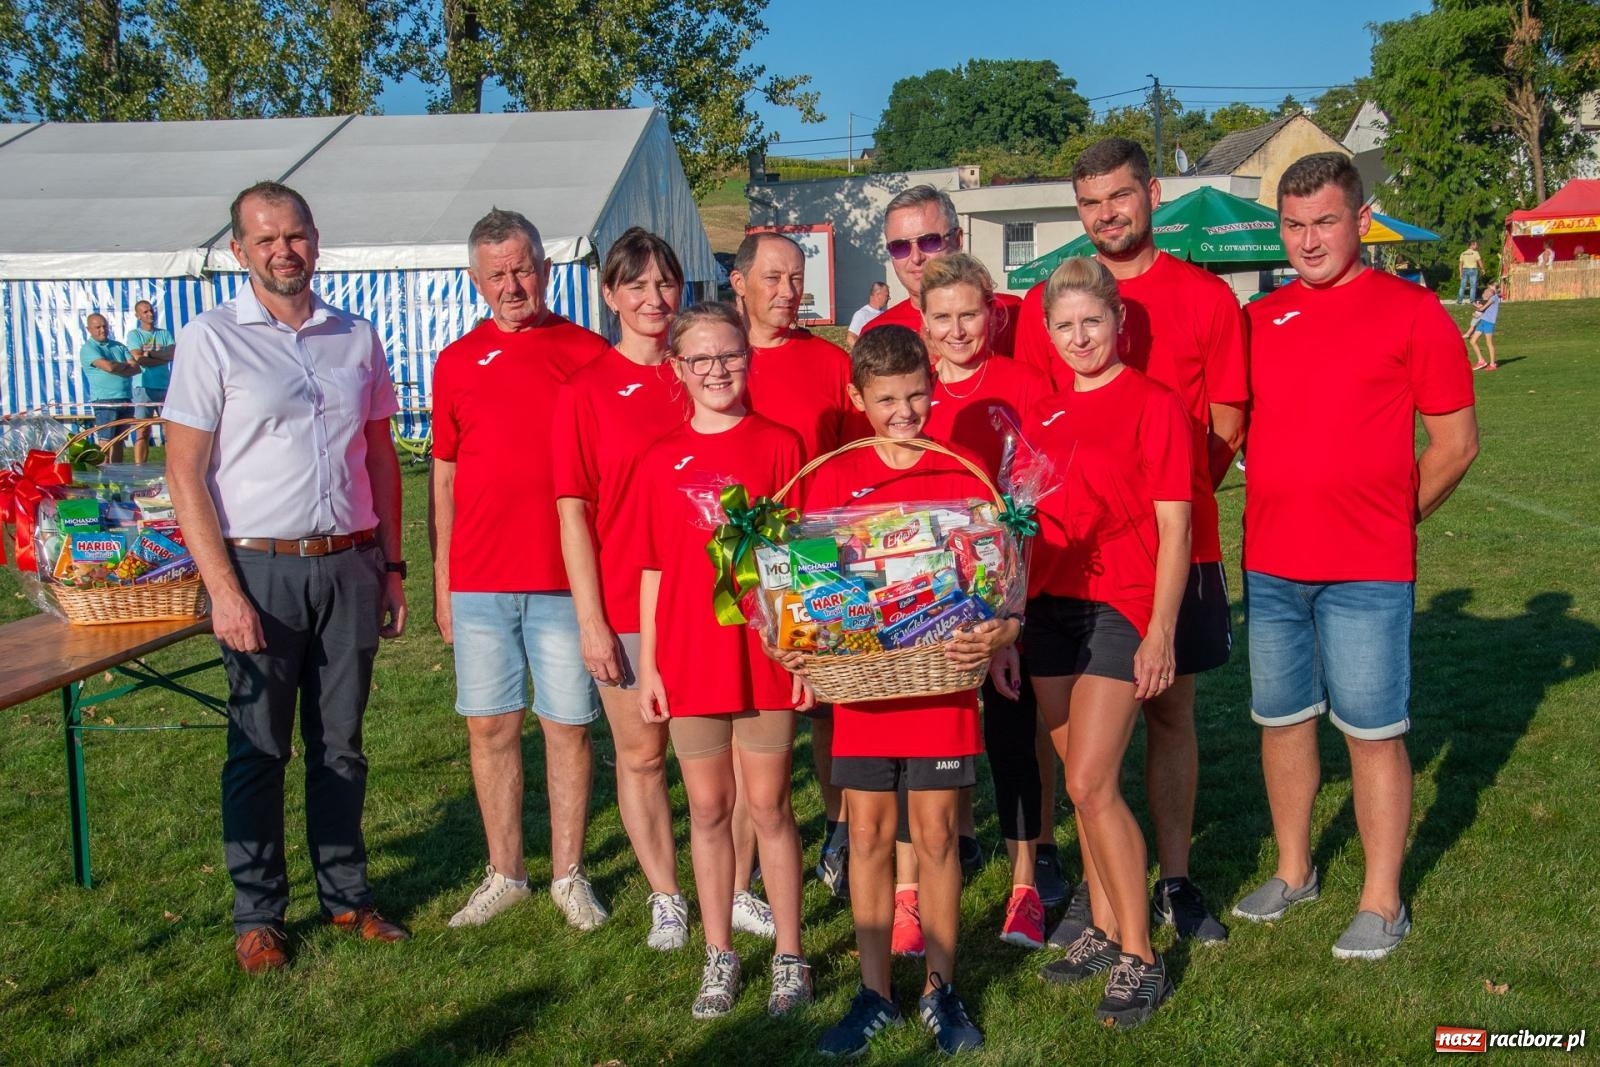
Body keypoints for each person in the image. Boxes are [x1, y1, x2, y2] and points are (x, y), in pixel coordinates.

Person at [1233, 153, 1478, 961]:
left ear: (1361, 220)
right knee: (1283, 721)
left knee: (1372, 731)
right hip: (1270, 565)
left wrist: (1389, 520)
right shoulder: (1260, 319)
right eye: (1294, 225)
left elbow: (1455, 442)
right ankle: (1295, 868)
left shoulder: (1413, 313)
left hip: (1368, 570)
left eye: (1326, 221)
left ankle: (1382, 899)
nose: (1309, 240)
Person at [163, 181, 409, 974]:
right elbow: (184, 473)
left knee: (342, 744)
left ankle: (346, 895)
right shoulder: (211, 338)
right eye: (265, 239)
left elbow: (378, 458)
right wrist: (224, 589)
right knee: (257, 747)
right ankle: (258, 913)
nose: (283, 250)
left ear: (315, 238)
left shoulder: (357, 337)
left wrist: (395, 567)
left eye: (295, 235)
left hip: (349, 563)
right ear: (239, 250)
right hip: (258, 568)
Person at [1014, 137, 1246, 947]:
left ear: (1150, 193)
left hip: (1172, 548)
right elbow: (1041, 444)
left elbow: (1226, 419)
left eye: (1118, 196)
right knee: (1089, 755)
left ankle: (1174, 879)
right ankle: (1107, 893)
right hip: (1076, 576)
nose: (1106, 213)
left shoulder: (1204, 297)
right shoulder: (1063, 303)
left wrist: (1163, 497)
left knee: (1172, 709)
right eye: (1089, 203)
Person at [800, 325, 1021, 1057]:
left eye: (917, 394)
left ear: (933, 386)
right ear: (858, 399)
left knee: (934, 836)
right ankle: (874, 992)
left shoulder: (961, 473)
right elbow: (804, 592)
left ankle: (941, 987)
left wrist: (1002, 631)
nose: (905, 411)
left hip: (939, 690)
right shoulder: (833, 477)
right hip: (864, 692)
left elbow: (1003, 588)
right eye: (887, 398)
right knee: (864, 834)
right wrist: (798, 645)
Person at [1001, 256, 1191, 1029]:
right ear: (1047, 332)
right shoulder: (1040, 414)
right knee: (1078, 787)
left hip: (1121, 608)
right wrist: (1010, 622)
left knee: (1088, 781)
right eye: (1065, 324)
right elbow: (1020, 529)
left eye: (1093, 321)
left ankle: (1142, 954)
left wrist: (1161, 631)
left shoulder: (1155, 405)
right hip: (1048, 609)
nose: (1080, 336)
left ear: (1118, 322)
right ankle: (1106, 926)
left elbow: (1176, 527)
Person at [430, 208, 613, 935]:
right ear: (477, 281)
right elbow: (441, 476)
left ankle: (569, 872)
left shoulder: (587, 350)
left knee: (567, 725)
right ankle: (506, 872)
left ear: (546, 266)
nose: (514, 284)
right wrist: (443, 577)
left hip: (567, 580)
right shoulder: (455, 361)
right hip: (478, 578)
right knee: (490, 726)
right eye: (498, 273)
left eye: (524, 267)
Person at [636, 301, 813, 1020]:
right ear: (678, 368)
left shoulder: (781, 443)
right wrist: (649, 666)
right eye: (700, 358)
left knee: (768, 804)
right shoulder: (659, 459)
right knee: (707, 807)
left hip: (765, 652)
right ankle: (720, 953)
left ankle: (791, 955)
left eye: (729, 356)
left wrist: (802, 651)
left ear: (749, 358)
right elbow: (651, 570)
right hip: (689, 653)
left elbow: (802, 559)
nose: (716, 370)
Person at [548, 228, 691, 947]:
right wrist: (591, 619)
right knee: (642, 753)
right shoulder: (585, 391)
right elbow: (571, 510)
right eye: (635, 285)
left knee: (713, 753)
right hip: (628, 600)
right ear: (609, 295)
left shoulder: (705, 368)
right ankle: (667, 892)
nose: (653, 298)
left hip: (708, 598)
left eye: (664, 282)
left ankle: (738, 882)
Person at [916, 252, 1055, 951]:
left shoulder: (1024, 384)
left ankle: (1026, 881)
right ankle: (920, 881)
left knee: (1011, 731)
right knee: (930, 736)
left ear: (993, 312)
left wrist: (1013, 609)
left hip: (1003, 591)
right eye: (943, 316)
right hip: (928, 601)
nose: (958, 328)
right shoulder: (914, 390)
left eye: (970, 313)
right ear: (923, 321)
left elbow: (1034, 498)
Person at [730, 229, 857, 902]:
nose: (787, 292)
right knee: (747, 708)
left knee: (825, 709)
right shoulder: (717, 358)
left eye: (796, 278)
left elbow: (855, 460)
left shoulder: (831, 362)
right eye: (773, 278)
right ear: (740, 283)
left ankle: (837, 834)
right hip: (735, 561)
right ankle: (744, 852)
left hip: (812, 557)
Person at [860, 185, 1022, 356]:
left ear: (958, 240)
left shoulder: (1014, 315)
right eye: (900, 247)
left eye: (929, 241)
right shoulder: (876, 334)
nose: (916, 258)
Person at [78, 313, 140, 462]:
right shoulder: (89, 348)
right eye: (97, 327)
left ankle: (117, 475)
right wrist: (124, 365)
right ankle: (103, 475)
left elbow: (136, 368)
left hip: (125, 398)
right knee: (105, 440)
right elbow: (108, 367)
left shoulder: (118, 345)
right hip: (105, 400)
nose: (102, 330)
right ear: (89, 329)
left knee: (119, 441)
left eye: (104, 326)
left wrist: (116, 366)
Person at [124, 300, 175, 463]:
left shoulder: (164, 334)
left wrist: (150, 355)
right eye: (145, 312)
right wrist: (160, 357)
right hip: (143, 387)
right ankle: (140, 468)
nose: (150, 314)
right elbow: (139, 358)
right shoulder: (134, 335)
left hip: (164, 385)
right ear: (138, 315)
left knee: (169, 430)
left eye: (151, 310)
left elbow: (174, 354)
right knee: (142, 429)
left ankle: (171, 465)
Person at [846, 281, 890, 348]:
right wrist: (865, 354)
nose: (888, 298)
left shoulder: (885, 314)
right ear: (877, 295)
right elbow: (851, 338)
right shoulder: (862, 314)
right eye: (887, 295)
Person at [1467, 282, 1501, 370]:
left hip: (1489, 322)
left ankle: (1492, 365)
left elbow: (1482, 308)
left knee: (1489, 343)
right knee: (1472, 341)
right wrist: (1478, 311)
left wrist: (1474, 305)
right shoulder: (1491, 297)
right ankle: (1481, 361)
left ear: (1494, 287)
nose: (1488, 288)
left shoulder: (1494, 298)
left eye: (1490, 286)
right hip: (1483, 321)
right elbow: (1483, 309)